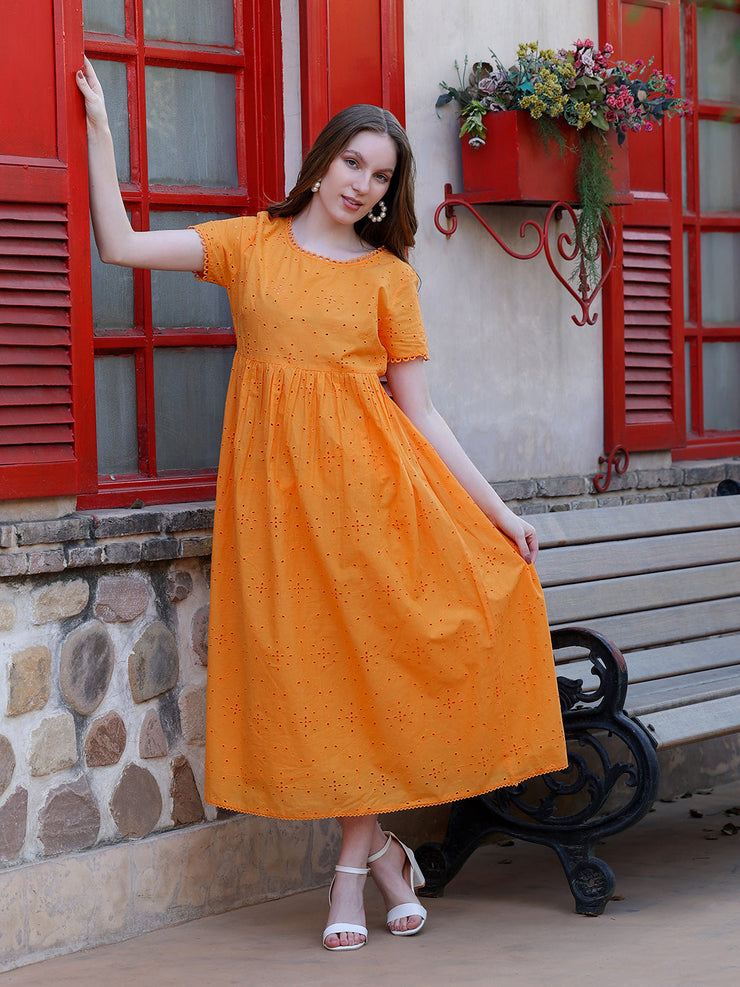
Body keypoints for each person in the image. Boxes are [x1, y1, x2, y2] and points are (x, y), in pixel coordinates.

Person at [76, 57, 567, 952]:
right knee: (316, 683)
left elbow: (421, 413)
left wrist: (499, 512)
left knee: (366, 677)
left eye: (380, 176)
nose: (362, 184)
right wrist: (103, 132)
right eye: (353, 163)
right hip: (275, 509)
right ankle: (386, 855)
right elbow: (119, 246)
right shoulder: (249, 245)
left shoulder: (389, 278)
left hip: (373, 505)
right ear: (323, 159)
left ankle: (349, 873)